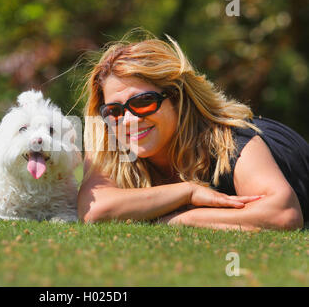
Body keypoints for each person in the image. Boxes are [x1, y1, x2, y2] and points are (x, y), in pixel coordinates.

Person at [77, 34, 309, 231]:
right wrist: (187, 193)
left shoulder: (233, 141)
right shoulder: (108, 138)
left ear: (177, 98)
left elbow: (283, 213)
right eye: (114, 110)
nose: (128, 121)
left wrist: (186, 217)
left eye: (143, 102)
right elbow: (95, 209)